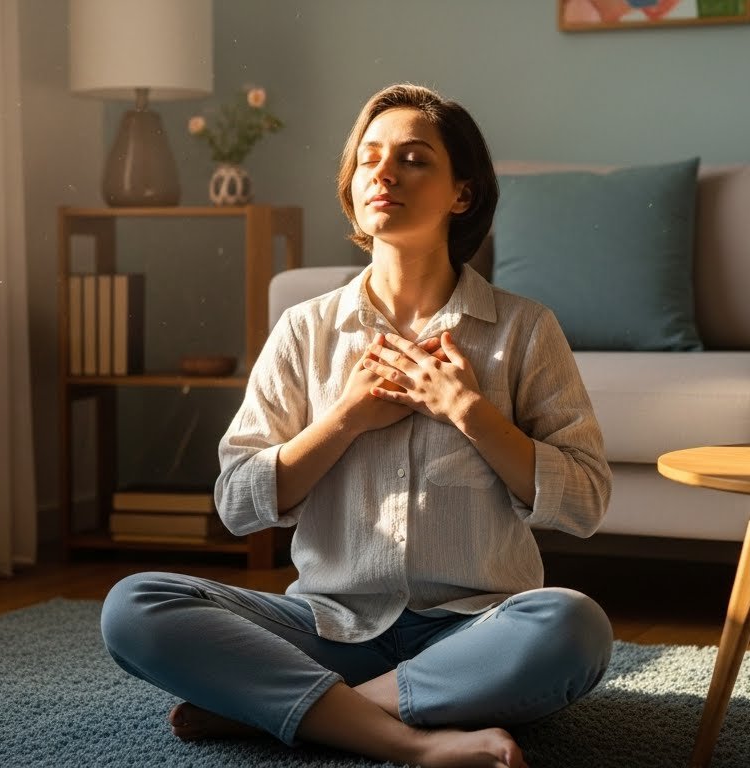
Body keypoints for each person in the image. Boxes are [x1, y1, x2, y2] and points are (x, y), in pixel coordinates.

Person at [101, 83, 613, 768]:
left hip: (474, 632)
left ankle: (289, 711)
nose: (384, 173)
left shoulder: (524, 330)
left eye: (413, 159)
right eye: (369, 158)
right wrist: (342, 419)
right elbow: (237, 504)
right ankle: (404, 737)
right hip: (325, 627)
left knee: (574, 627)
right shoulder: (304, 330)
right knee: (135, 605)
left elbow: (585, 501)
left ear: (463, 193)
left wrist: (470, 413)